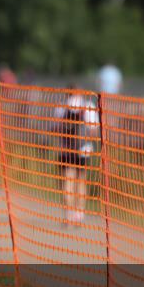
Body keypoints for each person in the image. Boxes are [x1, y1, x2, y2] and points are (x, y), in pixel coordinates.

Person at [55, 87, 100, 226]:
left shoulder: (61, 106)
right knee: (81, 180)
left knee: (68, 181)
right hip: (83, 149)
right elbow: (94, 130)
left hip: (66, 150)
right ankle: (79, 214)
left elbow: (54, 128)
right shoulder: (87, 106)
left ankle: (68, 215)